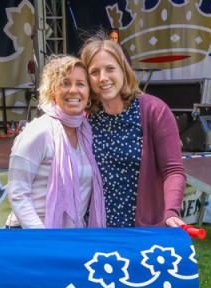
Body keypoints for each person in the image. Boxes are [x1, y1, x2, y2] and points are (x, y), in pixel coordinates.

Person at [80, 35, 186, 228]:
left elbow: (173, 170)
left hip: (142, 230)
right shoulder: (86, 118)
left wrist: (171, 212)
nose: (103, 78)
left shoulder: (154, 110)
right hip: (96, 228)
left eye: (110, 69)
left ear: (124, 70)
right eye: (95, 72)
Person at [5, 55, 105, 229]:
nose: (73, 90)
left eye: (80, 84)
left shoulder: (86, 132)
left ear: (89, 92)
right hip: (33, 235)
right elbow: (18, 194)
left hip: (68, 237)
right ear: (52, 91)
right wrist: (45, 240)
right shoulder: (39, 132)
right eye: (65, 83)